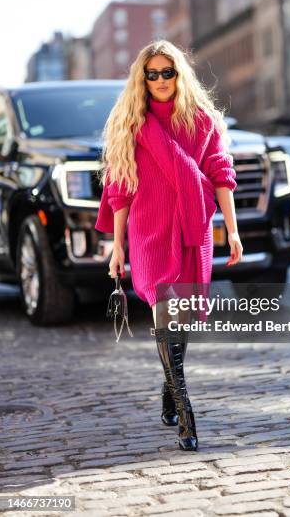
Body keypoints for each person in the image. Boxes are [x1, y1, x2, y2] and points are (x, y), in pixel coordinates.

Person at [95, 39, 243, 451]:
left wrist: (231, 230)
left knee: (179, 318)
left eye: (168, 72)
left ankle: (168, 387)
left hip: (193, 228)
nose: (161, 80)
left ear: (180, 73)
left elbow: (221, 175)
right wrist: (118, 246)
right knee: (166, 314)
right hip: (149, 231)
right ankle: (187, 415)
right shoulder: (132, 122)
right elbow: (120, 189)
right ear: (142, 79)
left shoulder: (203, 121)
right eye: (152, 74)